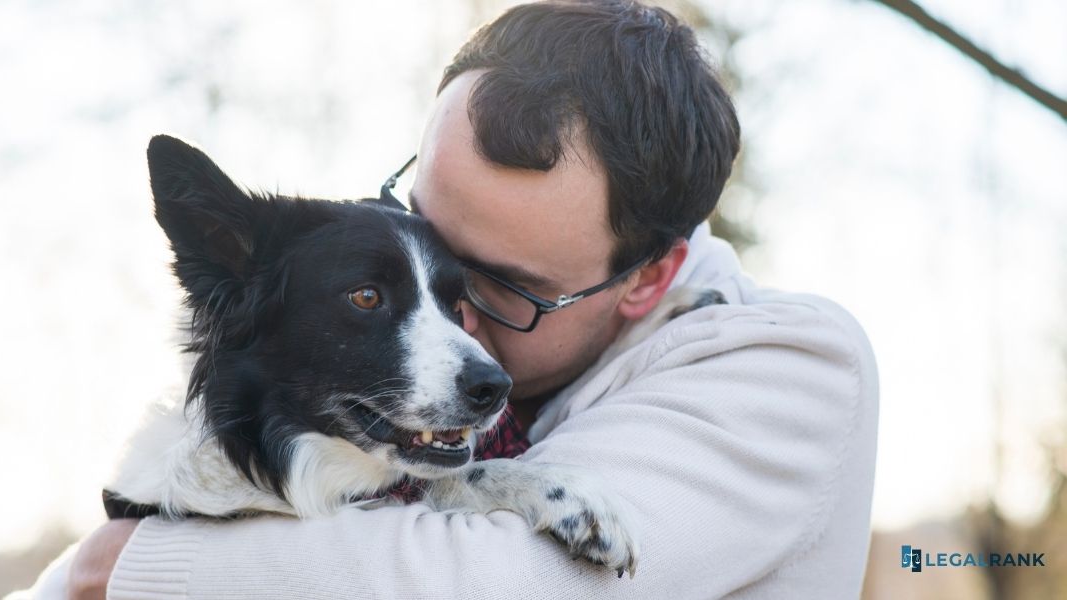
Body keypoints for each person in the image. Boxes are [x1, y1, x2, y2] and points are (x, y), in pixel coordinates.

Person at [71, 1, 879, 597]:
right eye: (423, 229)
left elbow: (500, 579)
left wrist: (127, 567)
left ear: (647, 279)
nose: (457, 327)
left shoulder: (791, 366)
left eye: (508, 289)